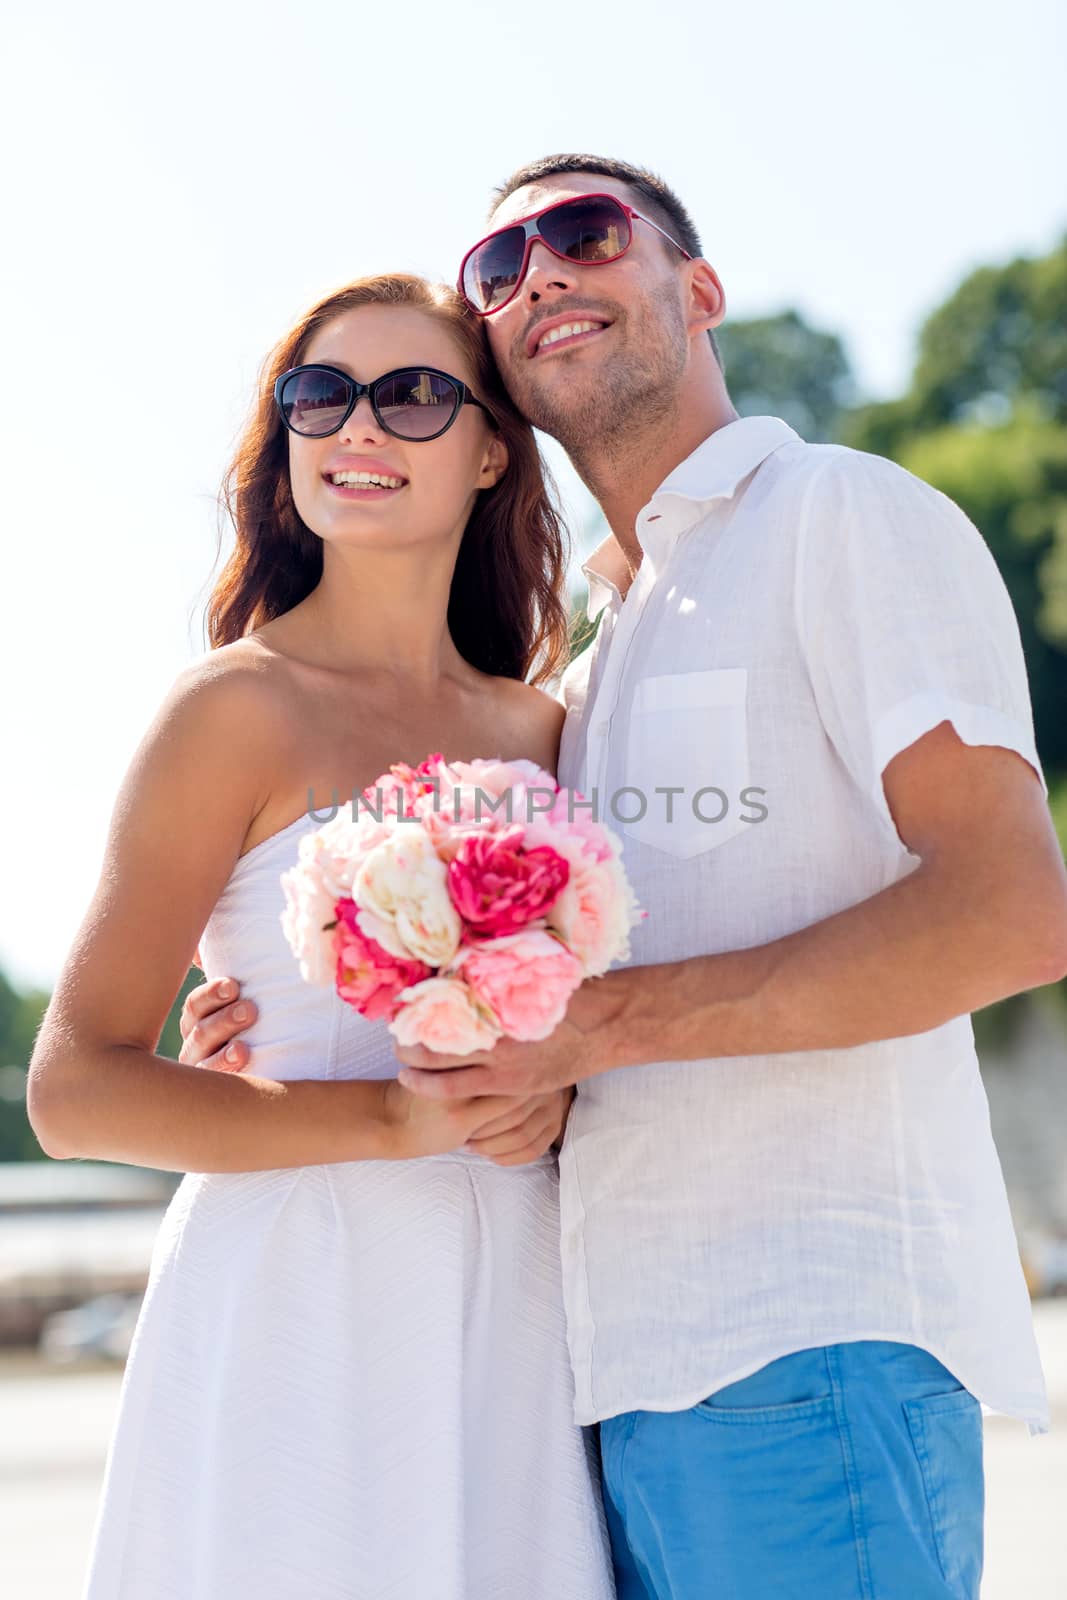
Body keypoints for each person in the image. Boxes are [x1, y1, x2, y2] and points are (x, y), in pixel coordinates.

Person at [184, 157, 1067, 1600]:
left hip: (814, 1345)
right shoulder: (585, 679)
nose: (539, 272)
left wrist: (597, 1030)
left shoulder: (837, 513)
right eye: (498, 265)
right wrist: (279, 1017)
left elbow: (1014, 910)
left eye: (585, 234)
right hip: (607, 1386)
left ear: (699, 291)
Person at [27, 273, 617, 1600]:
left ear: (488, 451)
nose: (356, 429)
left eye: (411, 396)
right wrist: (393, 1123)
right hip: (291, 1288)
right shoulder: (233, 710)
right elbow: (75, 1089)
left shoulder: (550, 736)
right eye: (320, 395)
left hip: (513, 1294)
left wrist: (565, 1099)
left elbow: (595, 1023)